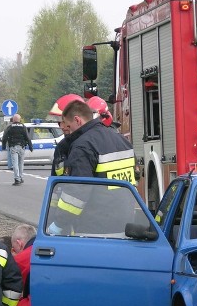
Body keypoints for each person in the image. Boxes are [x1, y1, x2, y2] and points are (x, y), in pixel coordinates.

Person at [3, 223, 105, 306]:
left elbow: (13, 294)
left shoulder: (21, 260)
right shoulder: (66, 251)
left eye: (14, 249)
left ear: (19, 243)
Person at [48, 99, 137, 234]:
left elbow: (77, 193)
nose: (68, 132)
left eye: (68, 126)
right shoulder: (121, 140)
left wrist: (59, 223)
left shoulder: (82, 146)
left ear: (77, 120)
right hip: (126, 224)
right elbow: (134, 178)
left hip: (95, 228)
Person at [49, 94, 85, 176]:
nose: (61, 126)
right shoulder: (61, 147)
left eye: (64, 121)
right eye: (58, 122)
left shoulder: (89, 143)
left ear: (77, 119)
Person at [1, 114, 33, 185]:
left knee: (15, 163)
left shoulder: (9, 127)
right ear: (19, 119)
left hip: (13, 147)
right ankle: (21, 177)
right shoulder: (23, 127)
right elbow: (27, 137)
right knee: (21, 163)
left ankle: (17, 179)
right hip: (22, 147)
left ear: (13, 120)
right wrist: (31, 146)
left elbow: (4, 138)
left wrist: (3, 146)